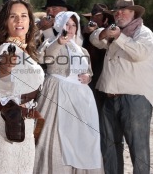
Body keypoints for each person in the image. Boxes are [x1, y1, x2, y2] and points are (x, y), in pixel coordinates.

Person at [0, 0, 45, 174]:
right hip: (4, 131)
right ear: (5, 21)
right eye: (13, 16)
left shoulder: (26, 50)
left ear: (30, 21)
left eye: (23, 15)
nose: (19, 20)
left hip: (23, 130)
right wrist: (5, 70)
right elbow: (3, 85)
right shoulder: (7, 49)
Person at [89, 0, 153, 174]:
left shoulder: (144, 33)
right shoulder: (114, 31)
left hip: (136, 99)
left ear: (134, 13)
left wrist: (118, 36)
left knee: (138, 149)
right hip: (110, 97)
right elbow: (95, 39)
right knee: (109, 147)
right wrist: (104, 33)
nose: (119, 13)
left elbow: (139, 53)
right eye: (117, 11)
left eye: (124, 10)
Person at [34, 11, 104, 174]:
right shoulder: (51, 42)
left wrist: (88, 77)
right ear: (60, 25)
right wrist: (59, 42)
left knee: (82, 140)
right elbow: (45, 59)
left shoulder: (81, 50)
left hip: (81, 100)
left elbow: (89, 71)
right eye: (67, 24)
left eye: (74, 25)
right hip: (57, 94)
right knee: (55, 140)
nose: (71, 28)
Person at [81, 3, 114, 111]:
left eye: (99, 16)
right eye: (94, 17)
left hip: (102, 74)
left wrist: (97, 32)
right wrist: (84, 32)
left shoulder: (110, 31)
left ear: (105, 19)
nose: (95, 19)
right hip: (87, 73)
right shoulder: (84, 31)